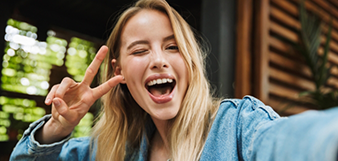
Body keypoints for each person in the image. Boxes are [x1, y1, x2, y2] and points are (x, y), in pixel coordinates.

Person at [9, 0, 338, 160]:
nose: (159, 60)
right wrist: (58, 128)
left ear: (191, 62)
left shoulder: (238, 126)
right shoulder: (109, 150)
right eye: (140, 50)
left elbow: (291, 142)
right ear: (118, 71)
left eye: (172, 47)